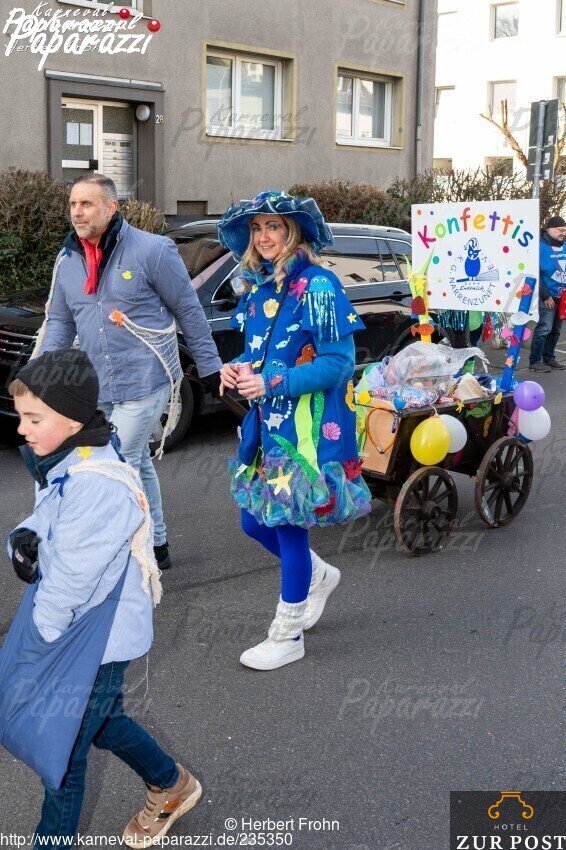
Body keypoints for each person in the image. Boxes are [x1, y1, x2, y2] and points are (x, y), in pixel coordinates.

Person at [4, 350, 202, 847]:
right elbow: (52, 512)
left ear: (71, 419)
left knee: (63, 754)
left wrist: (41, 644)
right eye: (21, 416)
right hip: (84, 631)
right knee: (101, 720)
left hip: (93, 639)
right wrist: (26, 535)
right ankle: (172, 784)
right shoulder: (72, 454)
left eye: (33, 418)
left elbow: (71, 580)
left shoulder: (96, 484)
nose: (22, 428)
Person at [35, 174, 222, 570]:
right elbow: (61, 322)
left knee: (116, 462)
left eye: (87, 204)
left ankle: (122, 550)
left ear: (111, 207)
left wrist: (209, 365)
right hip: (97, 382)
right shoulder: (68, 260)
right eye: (73, 204)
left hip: (145, 379)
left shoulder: (153, 250)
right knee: (135, 461)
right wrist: (44, 376)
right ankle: (157, 541)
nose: (77, 212)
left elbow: (188, 308)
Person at [218, 191, 372, 671]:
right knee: (253, 522)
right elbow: (261, 353)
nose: (264, 236)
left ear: (294, 231)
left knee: (287, 526)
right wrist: (235, 366)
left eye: (274, 226)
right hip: (266, 425)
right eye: (257, 227)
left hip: (305, 429)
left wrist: (272, 382)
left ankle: (287, 635)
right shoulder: (259, 286)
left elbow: (339, 363)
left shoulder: (319, 285)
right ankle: (317, 575)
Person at [529, 215, 566, 373]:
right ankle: (535, 361)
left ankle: (549, 357)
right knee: (544, 329)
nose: (563, 233)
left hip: (562, 297)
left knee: (556, 331)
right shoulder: (540, 248)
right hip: (548, 297)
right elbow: (535, 274)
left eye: (565, 230)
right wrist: (545, 295)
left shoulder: (565, 247)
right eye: (560, 230)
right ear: (550, 229)